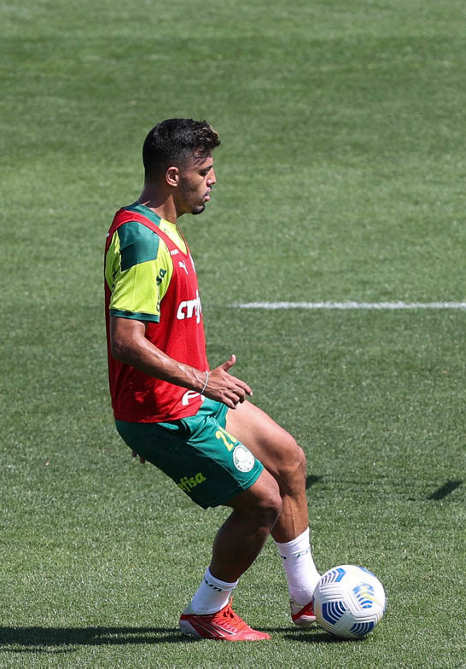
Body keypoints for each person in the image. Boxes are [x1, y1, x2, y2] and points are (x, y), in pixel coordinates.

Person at [103, 118, 320, 641]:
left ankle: (308, 596)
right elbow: (126, 340)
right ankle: (206, 611)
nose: (213, 179)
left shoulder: (163, 228)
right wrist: (200, 382)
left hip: (187, 395)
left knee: (287, 458)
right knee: (263, 502)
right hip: (164, 411)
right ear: (172, 175)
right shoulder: (141, 240)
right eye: (204, 171)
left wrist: (200, 380)